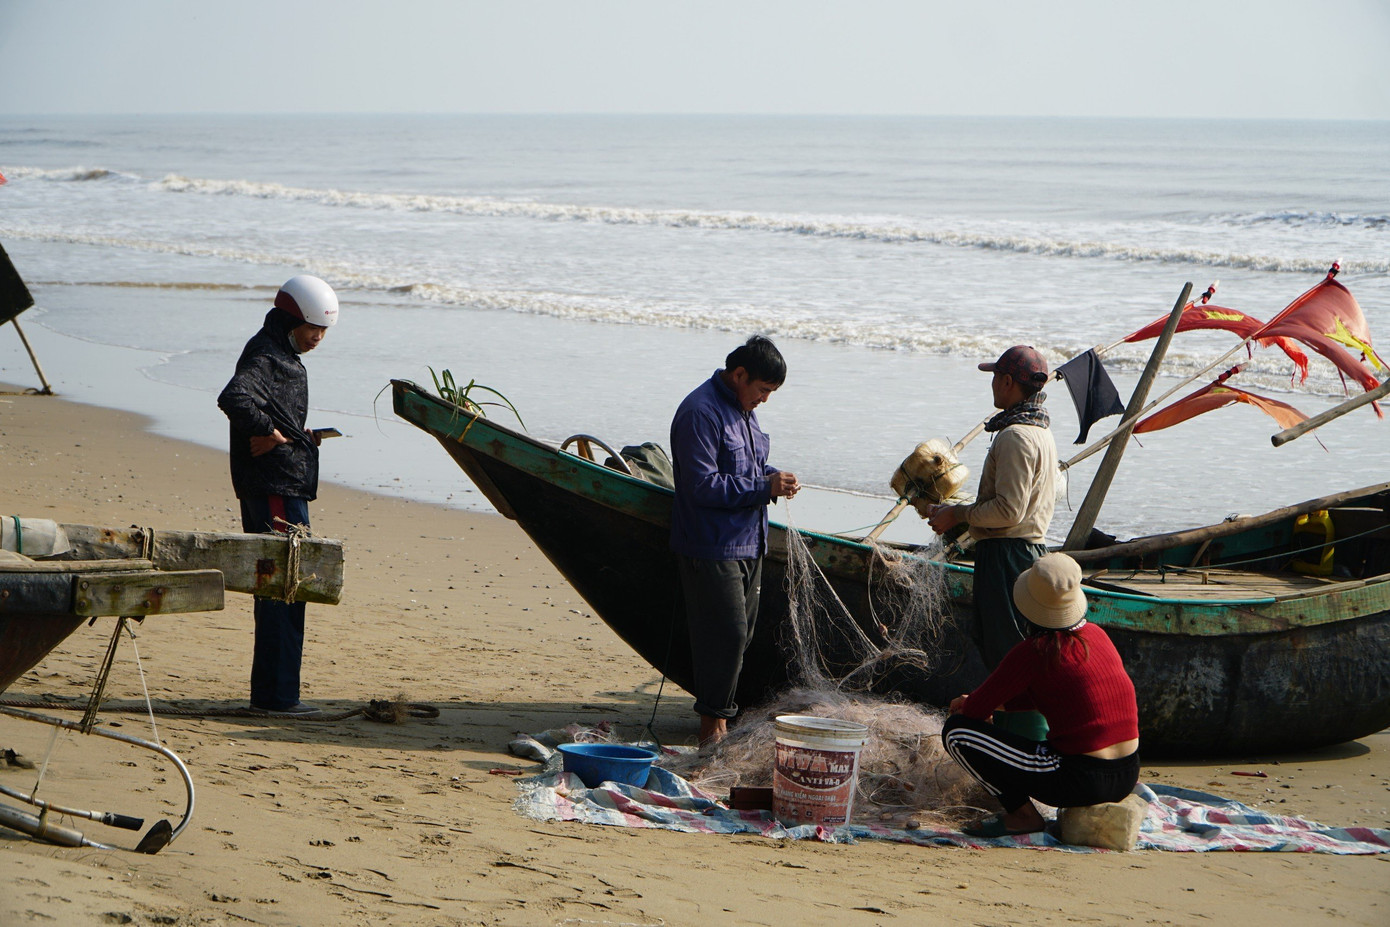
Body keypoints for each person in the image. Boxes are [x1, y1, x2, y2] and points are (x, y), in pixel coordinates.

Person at [942, 552, 1140, 837]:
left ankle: (1022, 816)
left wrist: (972, 705)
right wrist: (989, 705)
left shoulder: (1035, 651)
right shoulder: (1098, 635)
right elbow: (1055, 697)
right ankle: (1023, 812)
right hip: (1127, 773)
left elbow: (972, 714)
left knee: (957, 732)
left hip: (1078, 778)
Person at [217, 274, 339, 717]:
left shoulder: (279, 350)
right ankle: (276, 697)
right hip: (273, 490)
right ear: (292, 321)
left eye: (324, 331)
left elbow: (266, 408)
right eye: (314, 330)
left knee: (286, 588)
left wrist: (295, 435)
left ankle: (277, 694)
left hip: (282, 486)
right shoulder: (267, 354)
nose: (318, 339)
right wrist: (268, 433)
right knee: (282, 589)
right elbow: (234, 397)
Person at [670, 335, 800, 747]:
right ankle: (712, 729)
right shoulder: (700, 412)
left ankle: (719, 723)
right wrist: (764, 486)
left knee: (739, 638)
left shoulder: (744, 410)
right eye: (762, 390)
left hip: (749, 543)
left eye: (770, 393)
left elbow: (750, 467)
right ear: (739, 374)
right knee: (723, 636)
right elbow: (702, 486)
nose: (764, 400)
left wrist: (774, 478)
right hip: (711, 546)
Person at [923, 344, 1058, 740]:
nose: (993, 387)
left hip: (1009, 556)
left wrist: (958, 515)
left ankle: (1024, 744)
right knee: (1017, 653)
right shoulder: (1041, 431)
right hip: (1025, 552)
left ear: (1007, 382)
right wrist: (957, 514)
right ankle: (1020, 738)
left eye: (996, 378)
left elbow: (1008, 511)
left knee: (1009, 657)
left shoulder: (1015, 436)